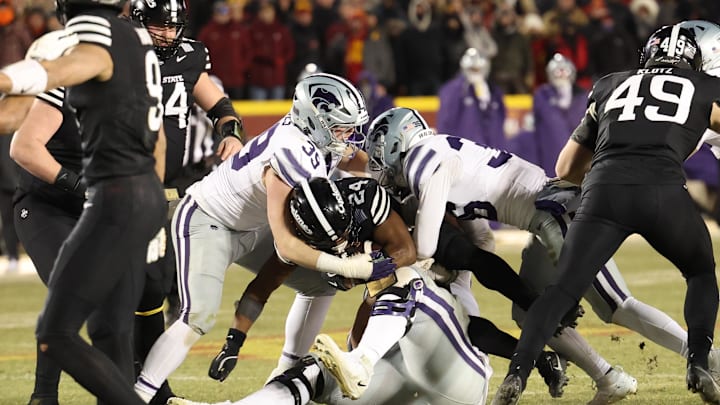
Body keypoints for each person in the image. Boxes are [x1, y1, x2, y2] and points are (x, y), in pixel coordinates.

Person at [364, 106, 717, 403]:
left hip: (559, 214)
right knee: (530, 311)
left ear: (396, 143)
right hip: (544, 220)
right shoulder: (440, 154)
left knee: (616, 305)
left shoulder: (423, 159)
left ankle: (707, 359)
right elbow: (482, 242)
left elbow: (425, 245)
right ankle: (608, 378)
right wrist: (460, 280)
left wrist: (421, 264)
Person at [491, 24, 720, 405]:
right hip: (663, 189)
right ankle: (699, 362)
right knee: (698, 272)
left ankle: (516, 375)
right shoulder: (706, 87)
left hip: (603, 192)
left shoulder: (609, 84)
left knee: (561, 290)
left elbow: (565, 168)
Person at [133, 73, 396, 403]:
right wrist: (351, 266)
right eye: (341, 127)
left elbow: (350, 156)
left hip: (250, 226)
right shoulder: (291, 153)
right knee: (198, 315)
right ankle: (137, 396)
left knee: (323, 283)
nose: (348, 136)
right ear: (316, 121)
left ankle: (284, 375)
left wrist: (384, 170)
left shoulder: (315, 138)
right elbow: (286, 246)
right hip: (209, 219)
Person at [171, 176, 494, 405]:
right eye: (331, 244)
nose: (342, 245)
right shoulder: (297, 244)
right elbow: (259, 291)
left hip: (454, 365)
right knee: (315, 372)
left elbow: (407, 251)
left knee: (407, 277)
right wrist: (233, 342)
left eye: (344, 234)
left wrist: (365, 269)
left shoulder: (370, 202)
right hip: (394, 374)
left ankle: (362, 362)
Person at [0, 0, 167, 403]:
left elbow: (80, 61)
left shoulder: (92, 37)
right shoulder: (139, 40)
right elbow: (14, 121)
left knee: (56, 333)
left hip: (114, 197)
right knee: (111, 331)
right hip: (137, 193)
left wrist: (13, 77)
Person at [129, 2, 244, 401]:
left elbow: (220, 106)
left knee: (157, 288)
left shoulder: (190, 55)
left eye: (172, 25)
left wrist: (231, 133)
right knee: (143, 288)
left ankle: (144, 380)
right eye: (159, 24)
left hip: (171, 193)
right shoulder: (119, 51)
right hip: (127, 187)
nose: (166, 33)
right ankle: (142, 380)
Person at [437, 47, 507, 150]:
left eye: (478, 69)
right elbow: (445, 123)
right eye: (472, 69)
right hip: (464, 153)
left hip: (489, 153)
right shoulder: (453, 91)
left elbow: (497, 124)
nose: (476, 72)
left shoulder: (493, 92)